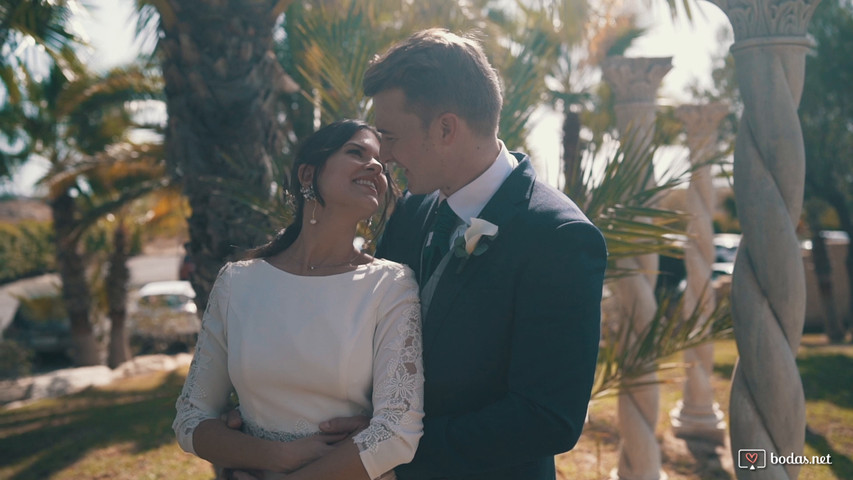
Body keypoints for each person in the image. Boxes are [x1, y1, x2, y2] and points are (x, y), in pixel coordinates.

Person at [318, 29, 608, 479]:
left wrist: (393, 453)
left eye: (391, 137)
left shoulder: (559, 237)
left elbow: (547, 418)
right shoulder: (412, 210)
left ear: (446, 128)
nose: (386, 156)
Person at [172, 119, 425, 480]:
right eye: (357, 152)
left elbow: (397, 431)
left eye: (383, 166)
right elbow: (191, 419)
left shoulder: (391, 285)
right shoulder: (237, 283)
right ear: (308, 174)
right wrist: (277, 456)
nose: (376, 167)